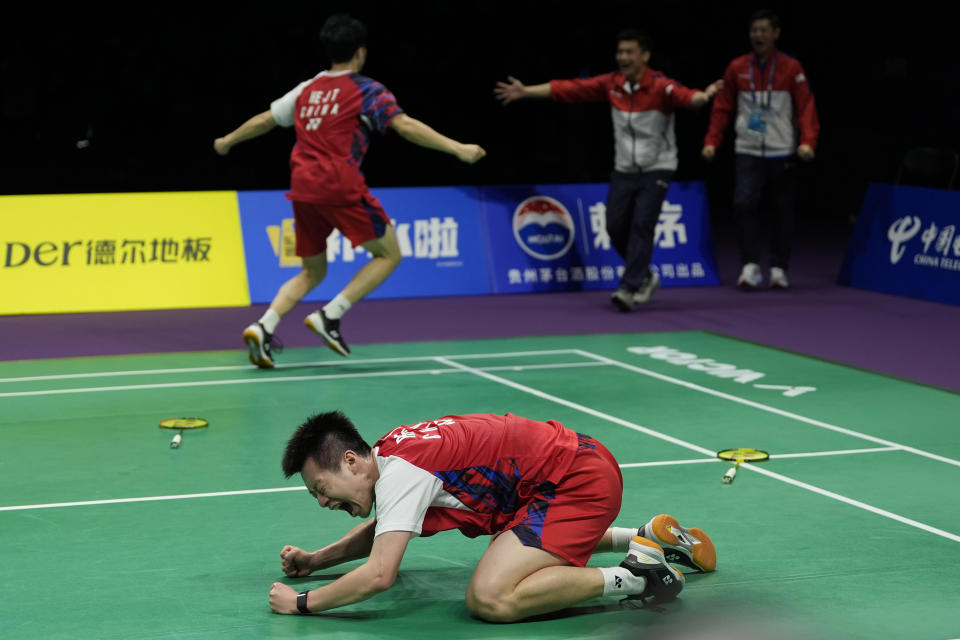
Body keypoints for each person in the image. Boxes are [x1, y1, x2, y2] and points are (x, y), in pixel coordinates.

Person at [214, 14, 486, 367]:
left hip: (302, 187)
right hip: (339, 185)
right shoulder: (366, 89)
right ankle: (330, 315)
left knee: (312, 271)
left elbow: (266, 120)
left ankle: (263, 327)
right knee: (390, 253)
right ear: (359, 52)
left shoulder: (307, 89)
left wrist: (228, 140)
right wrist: (457, 148)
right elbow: (403, 125)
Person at [267, 411, 717, 621]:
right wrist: (315, 562)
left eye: (320, 490)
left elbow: (380, 573)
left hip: (575, 482)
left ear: (350, 462)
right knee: (504, 543)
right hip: (563, 475)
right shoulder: (388, 451)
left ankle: (641, 576)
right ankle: (644, 537)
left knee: (491, 595)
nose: (323, 503)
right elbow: (383, 530)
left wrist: (303, 603)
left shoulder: (402, 473)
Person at [495, 30, 722, 312]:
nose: (623, 57)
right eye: (620, 52)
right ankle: (646, 276)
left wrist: (706, 95)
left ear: (645, 56)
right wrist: (526, 91)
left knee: (642, 224)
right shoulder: (611, 84)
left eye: (629, 52)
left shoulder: (661, 86)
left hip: (658, 169)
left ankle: (628, 288)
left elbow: (690, 98)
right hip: (624, 170)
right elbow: (568, 89)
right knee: (614, 227)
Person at [701, 9, 820, 290]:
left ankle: (779, 267)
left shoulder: (791, 68)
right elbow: (722, 107)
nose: (759, 35)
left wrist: (808, 142)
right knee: (744, 204)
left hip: (782, 149)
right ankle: (750, 265)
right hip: (748, 149)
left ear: (776, 34)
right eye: (754, 30)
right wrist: (711, 141)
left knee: (783, 210)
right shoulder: (737, 67)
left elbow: (806, 108)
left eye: (764, 30)